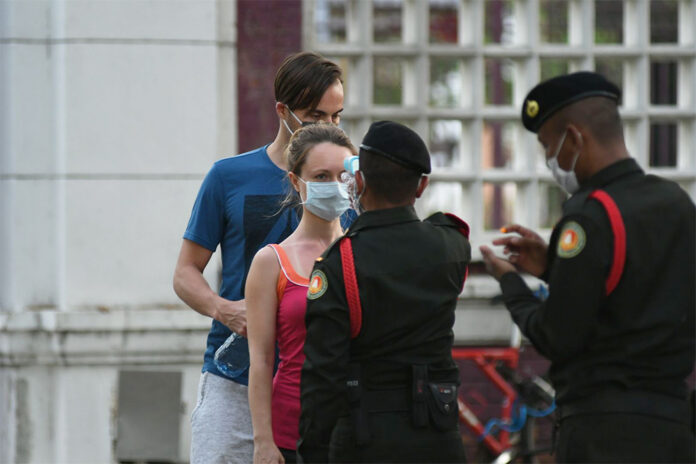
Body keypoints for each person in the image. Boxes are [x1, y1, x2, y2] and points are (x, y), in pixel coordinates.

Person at [479, 71, 696, 463]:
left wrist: (511, 283)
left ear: (575, 138)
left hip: (603, 432)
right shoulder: (676, 202)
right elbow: (638, 288)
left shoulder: (590, 214)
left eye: (549, 146)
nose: (551, 161)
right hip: (673, 426)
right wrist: (552, 268)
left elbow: (557, 334)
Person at [173, 52, 345, 464]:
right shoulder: (228, 176)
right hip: (234, 370)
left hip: (316, 377)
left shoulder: (348, 182)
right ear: (282, 111)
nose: (328, 126)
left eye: (337, 116)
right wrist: (225, 310)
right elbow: (185, 273)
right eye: (314, 114)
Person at [298, 121, 472, 463]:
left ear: (358, 182)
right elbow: (445, 226)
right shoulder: (451, 245)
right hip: (439, 437)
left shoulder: (340, 263)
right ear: (422, 185)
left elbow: (322, 377)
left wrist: (312, 451)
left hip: (365, 440)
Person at [246, 124, 357, 464]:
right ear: (296, 182)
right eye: (321, 177)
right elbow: (262, 361)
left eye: (342, 176)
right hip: (291, 434)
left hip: (358, 430)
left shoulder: (365, 250)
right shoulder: (271, 261)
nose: (335, 187)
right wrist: (263, 442)